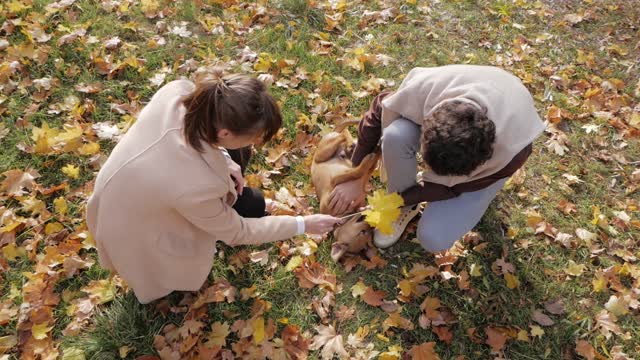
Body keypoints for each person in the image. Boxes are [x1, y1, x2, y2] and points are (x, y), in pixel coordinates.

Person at [86, 71, 340, 303]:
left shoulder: (180, 94)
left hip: (122, 187)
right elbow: (237, 232)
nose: (257, 142)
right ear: (226, 133)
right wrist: (303, 224)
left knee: (236, 163)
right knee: (175, 262)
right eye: (254, 137)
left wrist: (226, 160)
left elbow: (189, 147)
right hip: (131, 225)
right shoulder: (195, 187)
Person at [329, 65, 546, 252]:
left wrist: (396, 199)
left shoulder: (513, 152)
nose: (425, 169)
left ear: (480, 163)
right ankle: (403, 208)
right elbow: (379, 109)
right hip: (481, 86)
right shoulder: (427, 87)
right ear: (427, 125)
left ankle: (411, 202)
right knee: (396, 136)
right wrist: (355, 174)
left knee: (434, 238)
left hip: (508, 128)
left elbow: (451, 188)